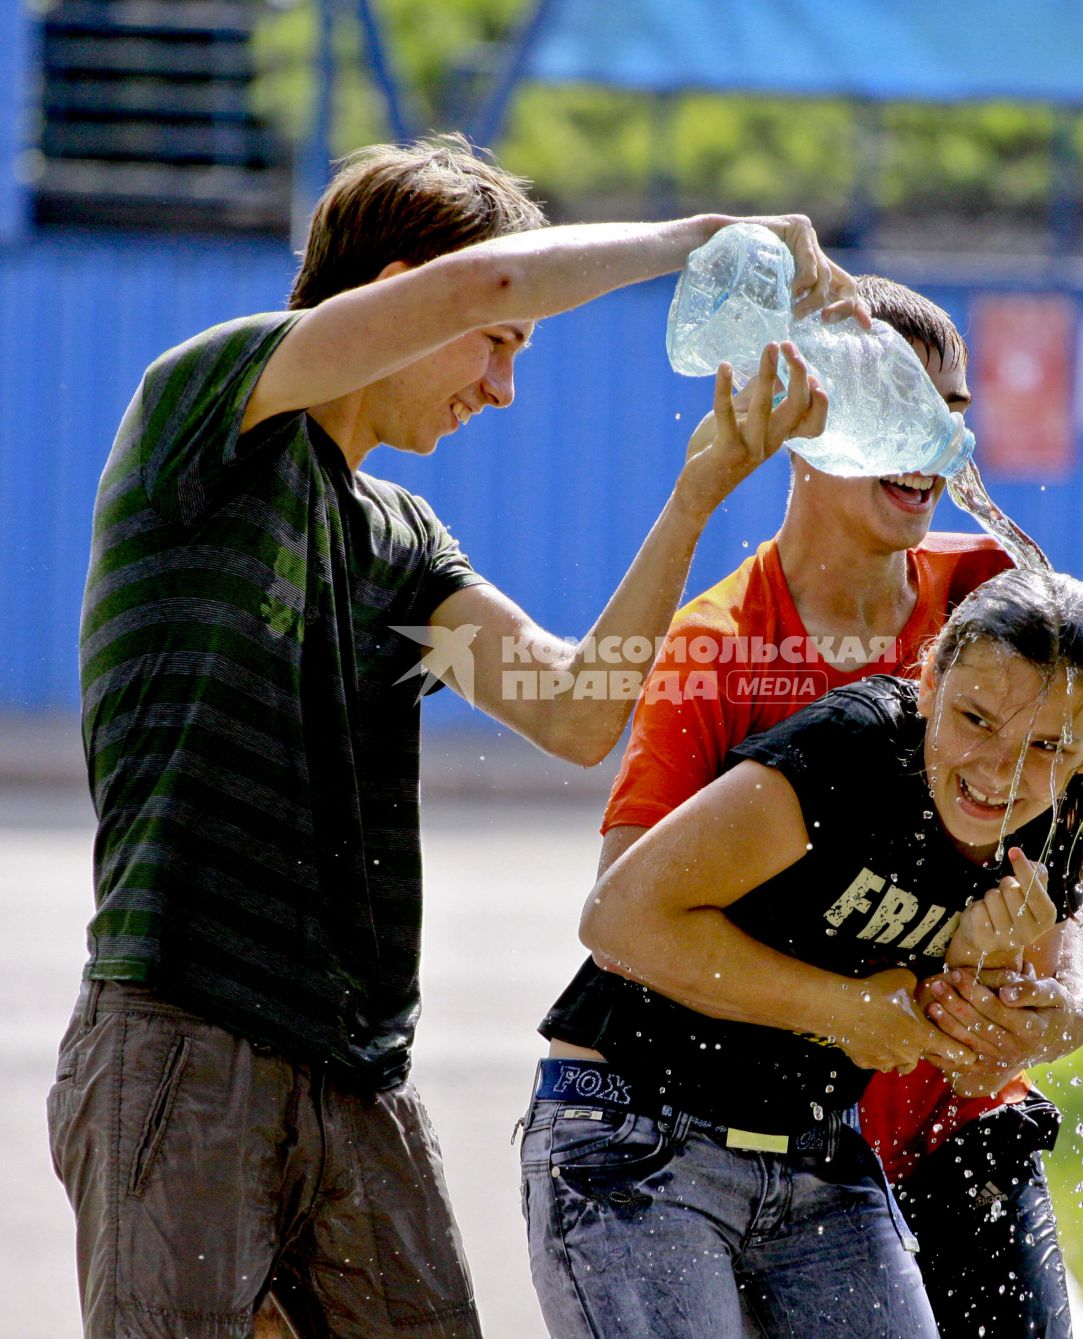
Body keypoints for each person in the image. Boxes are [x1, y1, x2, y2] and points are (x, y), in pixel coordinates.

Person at [47, 134, 852, 1339]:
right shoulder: (205, 419)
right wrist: (707, 240)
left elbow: (578, 714)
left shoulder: (401, 550)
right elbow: (488, 279)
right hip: (183, 1037)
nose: (502, 386)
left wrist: (696, 496)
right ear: (392, 296)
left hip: (354, 1069)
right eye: (500, 345)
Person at [530, 277, 1083, 1338]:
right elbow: (627, 924)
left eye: (952, 410)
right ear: (801, 418)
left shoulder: (994, 594)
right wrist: (847, 1012)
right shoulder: (719, 646)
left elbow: (1061, 898)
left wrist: (1054, 1011)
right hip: (743, 1123)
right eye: (896, 398)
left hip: (939, 1125)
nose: (930, 433)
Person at [521, 567, 1083, 1339]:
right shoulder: (853, 752)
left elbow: (1009, 1039)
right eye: (975, 719)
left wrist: (1000, 1007)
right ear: (931, 678)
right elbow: (617, 920)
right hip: (635, 1124)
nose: (1000, 773)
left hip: (816, 1151)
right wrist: (845, 1008)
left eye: (1047, 745)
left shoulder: (1063, 808)